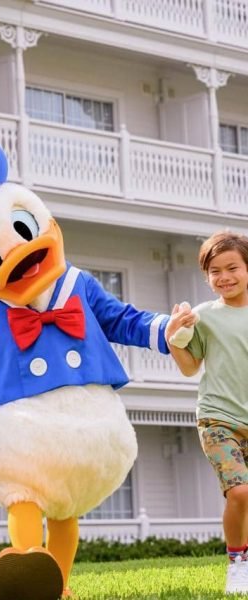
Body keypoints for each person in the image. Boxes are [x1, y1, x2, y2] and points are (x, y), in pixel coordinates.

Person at [166, 230, 248, 595]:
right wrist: (173, 338)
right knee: (241, 493)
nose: (224, 277)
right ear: (206, 276)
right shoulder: (201, 317)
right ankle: (237, 564)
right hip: (218, 417)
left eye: (232, 268)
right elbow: (189, 366)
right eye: (215, 271)